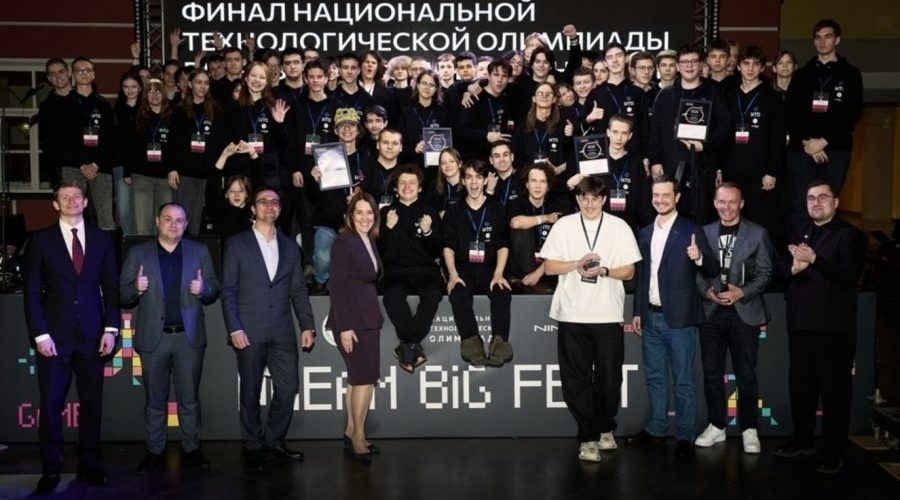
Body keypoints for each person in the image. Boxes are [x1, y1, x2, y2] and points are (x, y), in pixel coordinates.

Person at [23, 181, 120, 495]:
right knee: (51, 406)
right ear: (55, 204)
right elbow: (31, 293)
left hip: (93, 337)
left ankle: (89, 465)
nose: (71, 201)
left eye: (76, 196)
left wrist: (111, 329)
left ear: (85, 201)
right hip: (54, 339)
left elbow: (112, 288)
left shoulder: (103, 239)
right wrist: (40, 335)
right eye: (64, 197)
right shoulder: (41, 240)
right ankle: (51, 469)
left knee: (92, 406)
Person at [540, 176, 641, 462]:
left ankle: (605, 427)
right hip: (571, 313)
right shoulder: (564, 226)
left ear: (604, 199)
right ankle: (587, 437)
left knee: (610, 377)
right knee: (576, 379)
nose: (589, 204)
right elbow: (549, 267)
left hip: (607, 313)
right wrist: (577, 264)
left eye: (595, 198)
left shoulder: (619, 227)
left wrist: (605, 271)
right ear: (577, 199)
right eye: (584, 198)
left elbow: (629, 271)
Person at [120, 203, 220, 473]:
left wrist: (204, 289)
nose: (173, 224)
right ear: (157, 221)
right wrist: (135, 287)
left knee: (190, 399)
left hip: (188, 339)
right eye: (168, 219)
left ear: (186, 225)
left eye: (179, 220)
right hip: (154, 339)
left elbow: (214, 288)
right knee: (155, 400)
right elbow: (123, 295)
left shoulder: (199, 251)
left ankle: (192, 448)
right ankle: (155, 450)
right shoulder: (138, 253)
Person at [774, 179, 865, 474]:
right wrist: (793, 268)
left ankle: (834, 451)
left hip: (833, 329)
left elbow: (849, 276)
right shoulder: (799, 232)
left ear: (836, 202)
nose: (816, 202)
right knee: (801, 389)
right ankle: (803, 440)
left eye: (822, 197)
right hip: (800, 324)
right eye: (811, 198)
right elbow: (779, 270)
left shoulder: (850, 236)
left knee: (835, 392)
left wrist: (814, 259)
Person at [221, 187, 316, 470]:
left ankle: (273, 440)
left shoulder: (290, 247)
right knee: (250, 391)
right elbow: (228, 291)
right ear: (253, 208)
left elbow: (298, 290)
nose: (269, 206)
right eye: (263, 202)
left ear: (280, 209)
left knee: (288, 389)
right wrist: (234, 329)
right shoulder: (237, 244)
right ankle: (252, 445)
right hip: (248, 331)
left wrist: (307, 325)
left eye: (275, 202)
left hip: (282, 331)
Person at [629, 176, 718, 458]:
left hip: (680, 319)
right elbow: (642, 275)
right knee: (654, 377)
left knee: (683, 380)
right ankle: (656, 428)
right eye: (656, 195)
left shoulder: (691, 230)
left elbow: (712, 270)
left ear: (677, 197)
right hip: (650, 316)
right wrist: (637, 311)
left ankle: (685, 435)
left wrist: (699, 257)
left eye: (666, 195)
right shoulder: (644, 232)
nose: (660, 200)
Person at [693, 183, 774, 454]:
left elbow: (765, 273)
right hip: (712, 313)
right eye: (721, 201)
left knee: (746, 375)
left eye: (732, 202)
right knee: (712, 374)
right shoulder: (704, 232)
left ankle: (749, 428)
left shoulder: (758, 233)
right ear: (714, 203)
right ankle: (717, 425)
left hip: (744, 314)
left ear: (741, 204)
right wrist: (707, 292)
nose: (726, 207)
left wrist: (742, 292)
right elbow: (697, 272)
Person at [784, 19, 863, 231]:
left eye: (827, 37)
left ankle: (825, 250)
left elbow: (852, 113)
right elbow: (790, 113)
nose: (822, 42)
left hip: (835, 150)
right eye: (818, 38)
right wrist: (808, 142)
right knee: (801, 205)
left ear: (837, 40)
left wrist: (824, 141)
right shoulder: (801, 75)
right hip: (802, 150)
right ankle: (799, 250)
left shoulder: (851, 74)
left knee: (827, 206)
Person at [328, 192, 383, 462]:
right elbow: (336, 286)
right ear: (350, 216)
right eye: (359, 212)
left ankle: (351, 431)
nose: (364, 217)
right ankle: (358, 438)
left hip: (368, 318)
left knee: (361, 378)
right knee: (363, 380)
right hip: (352, 321)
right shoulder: (344, 242)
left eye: (369, 212)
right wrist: (345, 327)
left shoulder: (369, 240)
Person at [442, 160, 513, 367]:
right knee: (458, 292)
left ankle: (499, 342)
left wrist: (499, 274)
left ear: (485, 181)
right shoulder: (453, 211)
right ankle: (471, 340)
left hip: (490, 267)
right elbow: (448, 246)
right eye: (469, 177)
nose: (474, 183)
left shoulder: (497, 209)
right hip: (463, 267)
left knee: (502, 291)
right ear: (463, 181)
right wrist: (453, 274)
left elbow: (503, 246)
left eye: (478, 177)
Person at [648, 44, 729, 224]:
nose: (689, 66)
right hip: (672, 165)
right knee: (673, 218)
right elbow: (655, 131)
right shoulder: (665, 95)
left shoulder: (714, 93)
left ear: (701, 65)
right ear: (677, 66)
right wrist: (655, 160)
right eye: (685, 62)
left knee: (704, 219)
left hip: (704, 166)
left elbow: (724, 128)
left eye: (694, 61)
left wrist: (705, 146)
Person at [379, 165, 443, 372]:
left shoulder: (429, 212)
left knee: (433, 294)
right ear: (396, 188)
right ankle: (412, 346)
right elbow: (381, 251)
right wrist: (388, 229)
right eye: (403, 183)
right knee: (391, 296)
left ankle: (407, 345)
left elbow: (436, 250)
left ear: (420, 187)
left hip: (425, 270)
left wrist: (428, 231)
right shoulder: (386, 212)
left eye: (412, 183)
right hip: (396, 271)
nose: (407, 186)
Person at [721, 46, 786, 233]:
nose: (750, 68)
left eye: (756, 64)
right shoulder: (728, 94)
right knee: (731, 219)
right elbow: (721, 133)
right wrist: (719, 167)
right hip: (731, 169)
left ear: (762, 68)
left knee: (758, 223)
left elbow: (777, 136)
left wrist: (772, 171)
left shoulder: (772, 97)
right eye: (746, 63)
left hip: (760, 173)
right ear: (738, 66)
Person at [65, 57, 116, 230]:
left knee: (105, 215)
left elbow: (110, 138)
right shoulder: (65, 104)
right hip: (73, 166)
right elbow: (64, 139)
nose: (83, 73)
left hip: (100, 166)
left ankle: (106, 248)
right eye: (79, 70)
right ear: (73, 75)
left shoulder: (104, 105)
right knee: (72, 212)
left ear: (93, 74)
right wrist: (81, 164)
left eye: (87, 70)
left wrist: (95, 164)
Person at [507, 162, 569, 292]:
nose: (538, 186)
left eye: (542, 181)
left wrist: (538, 272)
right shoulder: (517, 204)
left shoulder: (557, 207)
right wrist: (546, 218)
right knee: (522, 229)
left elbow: (563, 246)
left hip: (547, 265)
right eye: (533, 181)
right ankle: (528, 281)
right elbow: (516, 223)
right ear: (526, 184)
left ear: (548, 186)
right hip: (521, 264)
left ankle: (533, 282)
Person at [129, 78, 173, 235]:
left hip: (165, 177)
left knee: (165, 224)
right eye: (150, 91)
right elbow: (129, 146)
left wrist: (173, 169)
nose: (154, 95)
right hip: (142, 175)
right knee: (142, 224)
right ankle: (144, 251)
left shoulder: (172, 117)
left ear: (164, 94)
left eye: (158, 91)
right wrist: (128, 170)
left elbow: (176, 147)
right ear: (145, 95)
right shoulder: (136, 116)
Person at [209, 174, 253, 240]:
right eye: (232, 191)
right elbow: (211, 191)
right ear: (226, 194)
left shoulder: (255, 213)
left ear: (247, 194)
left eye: (241, 191)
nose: (236, 195)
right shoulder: (221, 214)